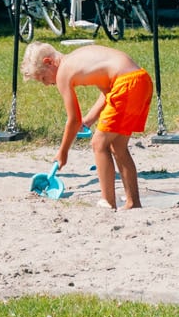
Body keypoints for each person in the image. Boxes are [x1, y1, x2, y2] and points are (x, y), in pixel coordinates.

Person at [21, 40, 152, 210]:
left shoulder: (63, 73)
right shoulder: (81, 58)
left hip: (126, 84)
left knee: (98, 143)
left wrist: (63, 152)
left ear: (49, 62)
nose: (46, 84)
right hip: (140, 80)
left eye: (43, 78)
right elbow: (108, 92)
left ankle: (107, 202)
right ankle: (133, 202)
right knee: (118, 146)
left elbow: (73, 120)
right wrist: (89, 120)